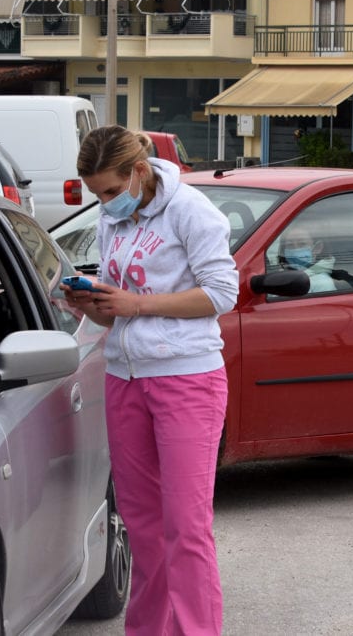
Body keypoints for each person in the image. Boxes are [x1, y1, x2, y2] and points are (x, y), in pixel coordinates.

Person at [62, 125, 238, 635]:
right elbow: (116, 314)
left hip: (187, 379)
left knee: (186, 529)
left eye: (111, 191)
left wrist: (134, 303)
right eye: (97, 195)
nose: (105, 202)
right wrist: (93, 302)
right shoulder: (109, 220)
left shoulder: (192, 211)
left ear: (139, 171)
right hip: (124, 377)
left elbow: (222, 294)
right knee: (141, 528)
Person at [277, 224, 337, 292]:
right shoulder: (281, 277)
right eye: (290, 245)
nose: (295, 250)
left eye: (302, 244)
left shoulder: (322, 283)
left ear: (317, 248)